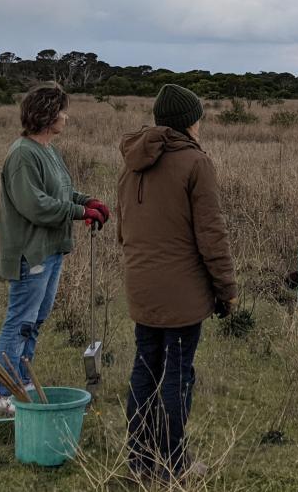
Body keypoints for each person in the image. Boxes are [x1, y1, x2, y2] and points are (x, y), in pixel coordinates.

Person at [117, 83, 237, 482]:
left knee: (144, 370)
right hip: (182, 293)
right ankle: (174, 466)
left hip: (141, 288)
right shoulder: (196, 163)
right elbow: (212, 235)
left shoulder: (131, 161)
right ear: (190, 121)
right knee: (177, 375)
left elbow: (123, 230)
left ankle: (139, 461)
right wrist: (226, 290)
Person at [0, 83, 110, 415]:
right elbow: (36, 205)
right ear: (45, 114)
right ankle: (5, 394)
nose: (65, 116)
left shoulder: (49, 151)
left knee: (37, 320)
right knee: (20, 321)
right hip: (31, 253)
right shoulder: (22, 154)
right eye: (61, 110)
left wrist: (88, 202)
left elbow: (63, 192)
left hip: (53, 250)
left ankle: (24, 384)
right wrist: (77, 212)